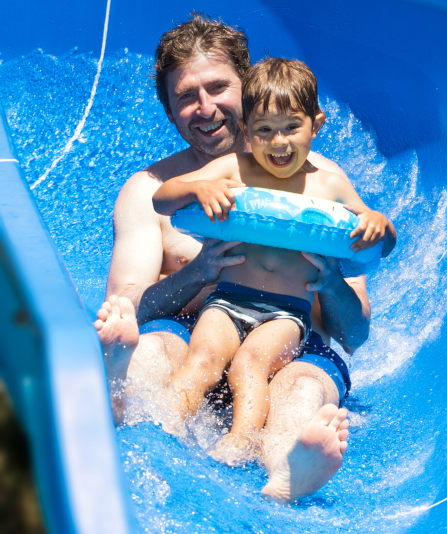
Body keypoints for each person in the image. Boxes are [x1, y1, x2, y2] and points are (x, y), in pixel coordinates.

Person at [93, 14, 371, 502]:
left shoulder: (318, 186)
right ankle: (123, 398)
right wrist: (198, 273)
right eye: (186, 97)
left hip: (289, 347)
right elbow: (128, 308)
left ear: (249, 89)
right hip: (194, 335)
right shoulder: (149, 193)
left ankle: (290, 470)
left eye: (219, 88)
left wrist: (329, 283)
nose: (205, 109)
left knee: (302, 390)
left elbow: (356, 334)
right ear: (170, 110)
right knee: (150, 352)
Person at [150, 57, 397, 466]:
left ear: (315, 124)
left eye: (290, 128)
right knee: (202, 356)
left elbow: (382, 243)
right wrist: (199, 188)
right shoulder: (233, 168)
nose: (278, 143)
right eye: (264, 131)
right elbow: (162, 198)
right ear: (245, 130)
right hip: (228, 300)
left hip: (286, 314)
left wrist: (376, 220)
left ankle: (243, 440)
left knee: (249, 365)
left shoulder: (329, 184)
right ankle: (167, 421)